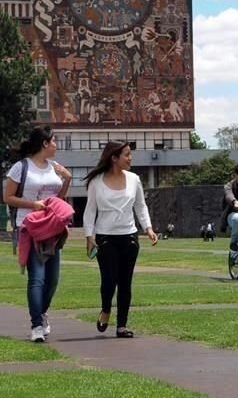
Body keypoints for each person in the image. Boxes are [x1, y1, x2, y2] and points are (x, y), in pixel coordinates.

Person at [3, 126, 72, 343]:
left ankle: (41, 312)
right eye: (54, 141)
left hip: (53, 228)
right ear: (44, 143)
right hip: (30, 227)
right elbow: (8, 197)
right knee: (37, 278)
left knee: (52, 280)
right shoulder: (21, 167)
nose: (56, 145)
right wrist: (33, 204)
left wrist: (67, 180)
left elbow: (58, 199)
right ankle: (36, 326)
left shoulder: (54, 168)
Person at [83, 141, 157, 338]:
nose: (130, 158)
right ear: (114, 158)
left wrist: (148, 228)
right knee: (109, 281)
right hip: (105, 237)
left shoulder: (134, 179)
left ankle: (122, 326)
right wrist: (89, 236)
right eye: (126, 154)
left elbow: (141, 206)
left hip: (129, 237)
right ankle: (106, 309)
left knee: (125, 282)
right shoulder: (96, 181)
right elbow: (90, 210)